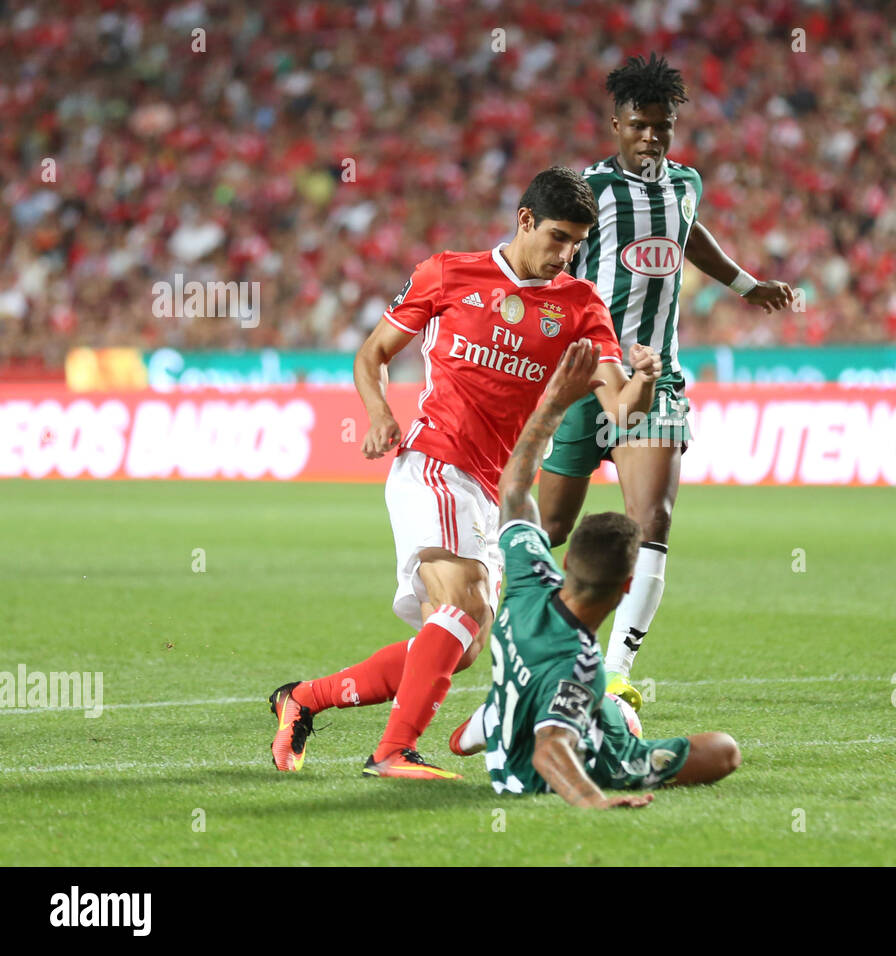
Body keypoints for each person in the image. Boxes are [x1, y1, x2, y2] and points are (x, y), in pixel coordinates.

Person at [267, 167, 663, 779]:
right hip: (435, 463)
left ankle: (302, 700)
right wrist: (379, 414)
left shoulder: (581, 304)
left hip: (496, 490)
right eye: (557, 238)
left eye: (577, 246)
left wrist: (645, 379)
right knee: (467, 600)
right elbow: (372, 353)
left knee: (464, 643)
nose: (565, 257)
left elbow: (618, 407)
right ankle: (393, 751)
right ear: (524, 220)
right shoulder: (448, 273)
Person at [538, 54, 796, 711]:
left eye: (663, 126)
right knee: (551, 527)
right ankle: (532, 645)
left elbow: (686, 235)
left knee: (649, 521)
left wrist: (746, 284)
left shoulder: (686, 184)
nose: (652, 136)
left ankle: (616, 674)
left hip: (659, 380)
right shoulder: (589, 190)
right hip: (587, 375)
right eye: (640, 125)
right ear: (615, 123)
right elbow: (549, 257)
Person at [448, 338, 741, 805]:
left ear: (564, 560)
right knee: (725, 750)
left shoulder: (526, 583)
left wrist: (553, 403)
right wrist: (594, 799)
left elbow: (515, 490)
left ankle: (499, 712)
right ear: (627, 588)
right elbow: (550, 752)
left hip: (513, 740)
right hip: (554, 771)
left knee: (577, 702)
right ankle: (607, 719)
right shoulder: (581, 665)